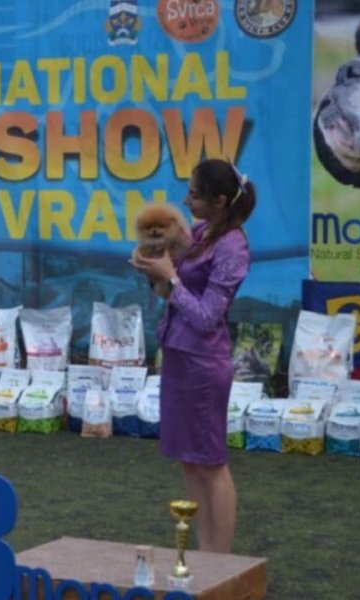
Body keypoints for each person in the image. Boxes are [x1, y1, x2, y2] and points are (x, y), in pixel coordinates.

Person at [131, 158, 256, 554]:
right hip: (179, 357)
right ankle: (204, 553)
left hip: (204, 365)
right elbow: (173, 286)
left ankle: (220, 558)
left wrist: (169, 277)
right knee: (190, 460)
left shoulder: (233, 246)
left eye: (195, 196)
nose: (186, 202)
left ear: (220, 201)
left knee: (212, 463)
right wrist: (151, 268)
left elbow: (206, 316)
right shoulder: (200, 233)